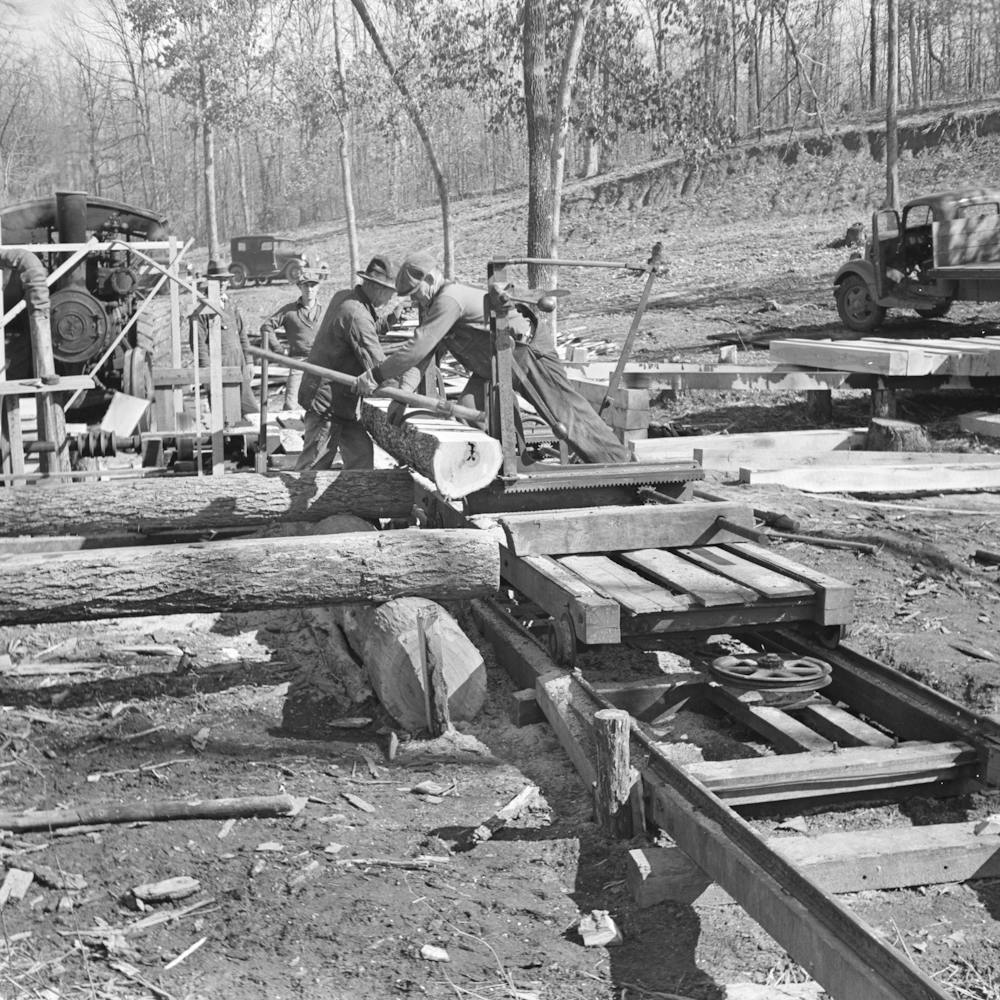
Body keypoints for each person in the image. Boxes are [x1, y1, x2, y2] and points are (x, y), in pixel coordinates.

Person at [354, 253, 630, 465]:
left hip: (524, 352)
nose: (415, 301)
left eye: (415, 293)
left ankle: (620, 466)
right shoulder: (435, 305)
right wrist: (402, 397)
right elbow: (425, 358)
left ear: (429, 279)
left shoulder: (449, 300)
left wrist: (374, 376)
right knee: (468, 415)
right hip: (494, 366)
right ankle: (498, 471)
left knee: (564, 415)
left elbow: (417, 347)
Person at [295, 255, 399, 471]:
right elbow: (376, 363)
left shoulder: (345, 298)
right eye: (391, 293)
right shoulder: (356, 314)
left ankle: (359, 502)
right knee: (313, 468)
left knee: (361, 457)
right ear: (379, 288)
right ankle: (296, 504)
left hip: (343, 403)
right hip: (326, 403)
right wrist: (403, 389)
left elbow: (360, 332)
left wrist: (389, 321)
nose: (391, 299)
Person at [193, 260, 258, 420]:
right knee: (225, 416)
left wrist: (249, 361)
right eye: (217, 280)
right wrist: (207, 374)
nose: (222, 284)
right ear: (209, 282)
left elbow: (242, 335)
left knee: (250, 412)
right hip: (219, 368)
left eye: (224, 280)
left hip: (239, 364)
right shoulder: (201, 310)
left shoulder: (230, 305)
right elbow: (199, 345)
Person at [259, 269, 323, 409]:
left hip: (321, 362)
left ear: (318, 288)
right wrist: (279, 350)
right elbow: (266, 327)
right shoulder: (289, 311)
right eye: (305, 285)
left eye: (313, 285)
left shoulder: (324, 311)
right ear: (300, 287)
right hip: (298, 362)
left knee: (321, 403)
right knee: (290, 403)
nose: (309, 289)